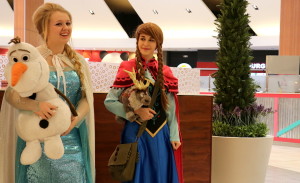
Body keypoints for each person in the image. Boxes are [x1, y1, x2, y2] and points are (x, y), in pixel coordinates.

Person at [0, 3, 95, 183]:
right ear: (44, 27)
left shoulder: (79, 61)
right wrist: (36, 106)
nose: (65, 28)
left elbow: (86, 98)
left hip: (72, 141)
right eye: (58, 24)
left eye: (68, 23)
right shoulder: (31, 58)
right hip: (40, 140)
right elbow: (12, 95)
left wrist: (76, 119)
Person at [104, 22, 183, 183]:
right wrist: (136, 112)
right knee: (136, 175)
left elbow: (170, 107)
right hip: (135, 133)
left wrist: (174, 135)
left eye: (151, 40)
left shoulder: (165, 71)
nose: (145, 44)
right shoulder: (127, 67)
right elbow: (109, 101)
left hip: (161, 134)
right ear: (137, 40)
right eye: (142, 38)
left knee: (160, 173)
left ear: (158, 44)